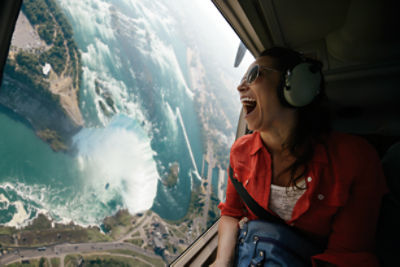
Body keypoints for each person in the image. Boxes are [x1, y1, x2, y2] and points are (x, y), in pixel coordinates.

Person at [211, 47, 387, 267]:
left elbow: (346, 257)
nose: (240, 87)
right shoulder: (240, 152)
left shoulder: (356, 160)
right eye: (242, 79)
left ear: (296, 85)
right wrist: (222, 261)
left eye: (254, 75)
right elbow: (231, 213)